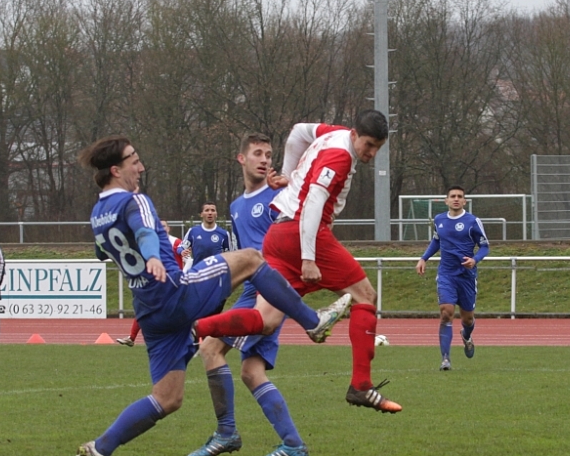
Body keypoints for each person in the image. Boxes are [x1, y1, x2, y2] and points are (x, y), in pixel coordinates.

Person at [75, 135, 351, 456]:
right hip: (174, 292)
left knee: (168, 398)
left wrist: (139, 257)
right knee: (252, 259)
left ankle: (101, 448)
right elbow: (143, 230)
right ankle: (314, 323)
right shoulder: (134, 199)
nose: (140, 167)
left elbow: (102, 252)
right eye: (134, 161)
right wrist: (154, 255)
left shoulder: (98, 214)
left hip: (149, 310)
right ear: (116, 169)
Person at [194, 110, 402, 414]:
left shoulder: (332, 133)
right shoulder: (340, 157)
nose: (370, 153)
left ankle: (194, 327)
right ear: (355, 135)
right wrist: (308, 258)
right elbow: (314, 203)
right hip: (302, 234)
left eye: (377, 148)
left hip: (277, 235)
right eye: (368, 145)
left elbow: (299, 131)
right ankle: (361, 385)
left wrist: (288, 177)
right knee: (366, 296)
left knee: (266, 321)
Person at [188, 133, 309, 456]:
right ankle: (293, 444)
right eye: (258, 153)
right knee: (251, 371)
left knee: (210, 348)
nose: (265, 159)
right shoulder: (237, 205)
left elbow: (298, 231)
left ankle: (227, 433)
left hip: (270, 291)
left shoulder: (279, 196)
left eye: (269, 154)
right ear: (241, 158)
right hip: (253, 290)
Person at [416, 186, 490, 370]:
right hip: (446, 274)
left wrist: (475, 260)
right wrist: (424, 258)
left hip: (466, 276)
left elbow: (485, 246)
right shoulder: (439, 220)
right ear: (446, 200)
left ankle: (466, 335)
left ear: (464, 201)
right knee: (446, 312)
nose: (456, 199)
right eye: (452, 196)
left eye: (460, 196)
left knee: (468, 319)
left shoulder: (473, 221)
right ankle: (445, 359)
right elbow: (436, 241)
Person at [116, 220, 188, 347]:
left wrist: (184, 257)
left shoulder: (175, 242)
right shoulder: (152, 242)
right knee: (145, 307)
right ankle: (132, 337)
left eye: (164, 226)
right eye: (159, 226)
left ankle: (189, 338)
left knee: (180, 311)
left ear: (169, 228)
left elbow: (184, 254)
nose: (162, 228)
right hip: (157, 281)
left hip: (174, 283)